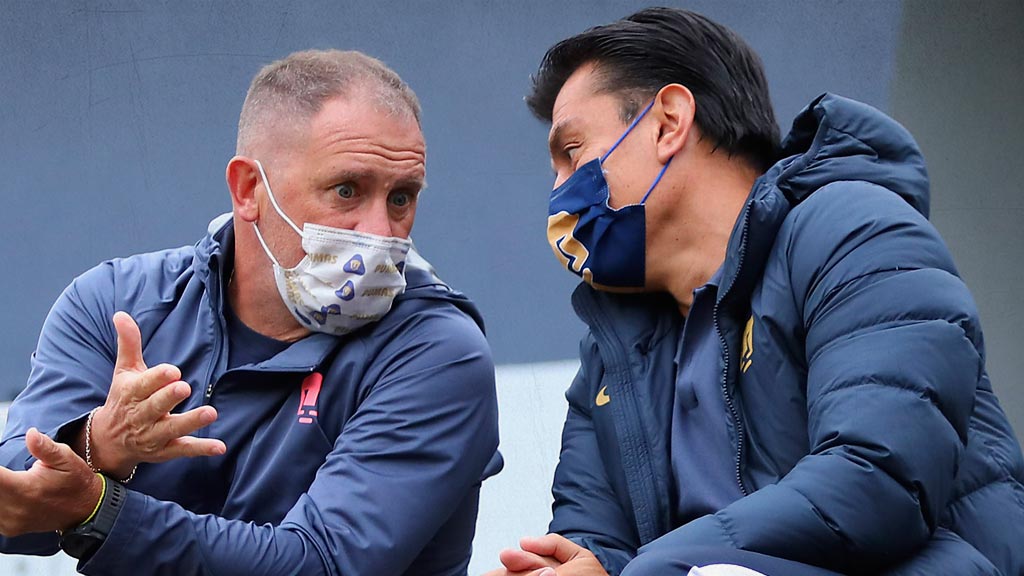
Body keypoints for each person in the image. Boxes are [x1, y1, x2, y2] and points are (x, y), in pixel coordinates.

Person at [488, 7, 1024, 576]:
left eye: (573, 153)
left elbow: (876, 477)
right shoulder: (611, 352)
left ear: (668, 122)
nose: (559, 194)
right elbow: (597, 540)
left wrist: (654, 570)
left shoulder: (852, 232)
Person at [0, 49, 501, 576]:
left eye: (400, 198)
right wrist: (98, 444)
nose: (379, 230)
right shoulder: (115, 302)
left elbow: (323, 566)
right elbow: (11, 499)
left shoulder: (439, 354)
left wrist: (100, 510)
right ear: (248, 190)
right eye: (347, 190)